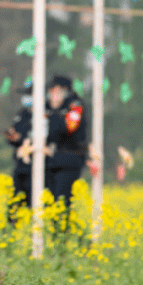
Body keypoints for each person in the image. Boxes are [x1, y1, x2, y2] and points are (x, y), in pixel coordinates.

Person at [44, 75, 88, 209]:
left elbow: (70, 127)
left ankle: (62, 226)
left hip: (70, 158)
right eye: (52, 91)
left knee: (62, 198)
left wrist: (53, 115)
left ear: (66, 91)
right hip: (50, 161)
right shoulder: (46, 106)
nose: (54, 95)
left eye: (58, 91)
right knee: (48, 200)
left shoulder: (75, 105)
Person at [3, 81, 34, 220]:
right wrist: (12, 137)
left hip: (37, 166)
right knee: (15, 203)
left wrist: (23, 139)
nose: (26, 98)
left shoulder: (44, 114)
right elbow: (14, 133)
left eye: (29, 94)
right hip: (21, 166)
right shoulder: (22, 114)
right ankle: (9, 235)